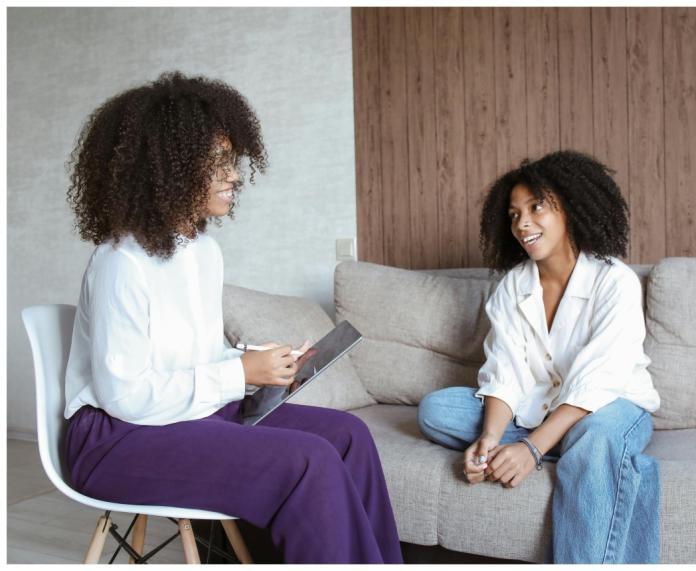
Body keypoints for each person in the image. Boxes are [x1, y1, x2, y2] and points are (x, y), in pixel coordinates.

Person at [63, 71, 402, 564]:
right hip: (116, 439)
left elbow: (191, 356)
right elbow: (126, 396)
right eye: (219, 162)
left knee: (350, 436)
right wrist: (238, 374)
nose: (236, 176)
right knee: (307, 461)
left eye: (233, 161)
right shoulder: (121, 263)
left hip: (186, 415)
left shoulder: (203, 251)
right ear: (169, 167)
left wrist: (255, 364)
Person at [417, 150, 662, 564]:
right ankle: (590, 455)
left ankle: (587, 452)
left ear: (570, 207)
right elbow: (505, 372)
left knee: (597, 436)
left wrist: (530, 450)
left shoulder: (614, 281)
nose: (522, 224)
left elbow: (597, 382)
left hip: (612, 406)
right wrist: (489, 439)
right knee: (437, 410)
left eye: (536, 208)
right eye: (514, 215)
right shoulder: (513, 286)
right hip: (536, 411)